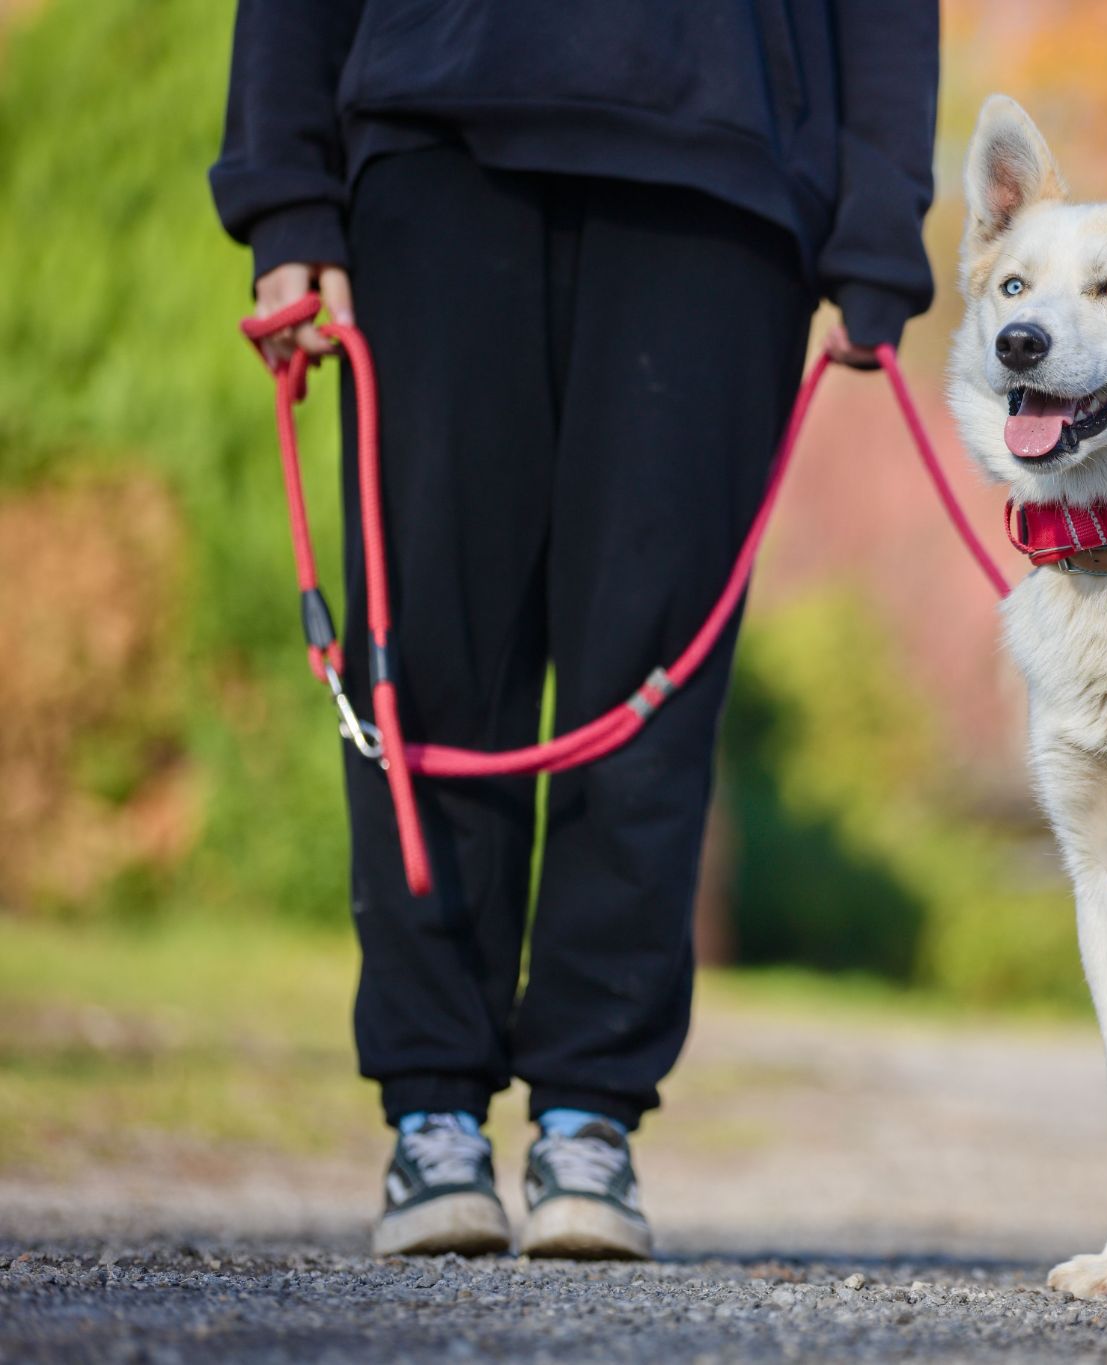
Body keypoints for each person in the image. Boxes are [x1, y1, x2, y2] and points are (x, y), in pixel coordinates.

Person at [210, 0, 938, 1260]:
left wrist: (876, 227)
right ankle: (433, 1110)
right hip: (434, 142)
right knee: (423, 664)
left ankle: (587, 1122)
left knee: (649, 682)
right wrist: (285, 193)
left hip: (721, 176)